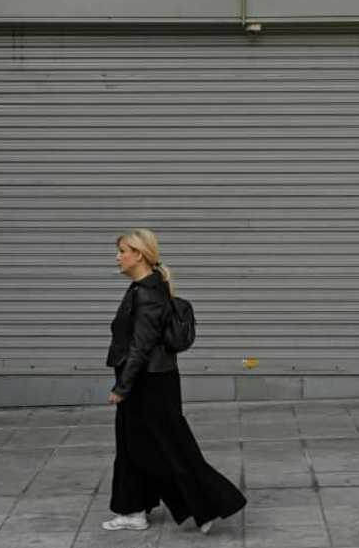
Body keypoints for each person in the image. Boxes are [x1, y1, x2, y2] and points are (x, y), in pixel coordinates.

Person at [103, 228, 246, 533]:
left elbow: (140, 347)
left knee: (165, 447)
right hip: (150, 378)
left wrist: (122, 387)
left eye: (122, 251)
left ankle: (208, 505)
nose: (118, 256)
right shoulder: (144, 287)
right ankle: (133, 510)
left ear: (138, 255)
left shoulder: (148, 293)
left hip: (147, 381)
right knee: (136, 446)